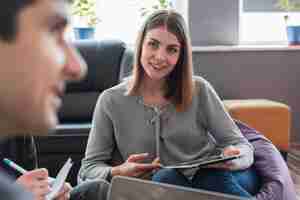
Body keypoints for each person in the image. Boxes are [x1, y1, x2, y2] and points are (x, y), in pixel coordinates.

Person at [79, 9, 261, 198]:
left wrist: (233, 157)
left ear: (181, 55)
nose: (160, 57)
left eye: (172, 49)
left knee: (208, 177)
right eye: (153, 44)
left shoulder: (199, 89)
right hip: (163, 187)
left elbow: (242, 146)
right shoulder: (110, 100)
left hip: (221, 178)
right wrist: (118, 171)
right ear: (141, 44)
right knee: (165, 178)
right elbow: (89, 169)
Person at [0, 0, 109, 200]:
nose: (78, 67)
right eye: (52, 31)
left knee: (95, 190)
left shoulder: (18, 127)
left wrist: (46, 193)